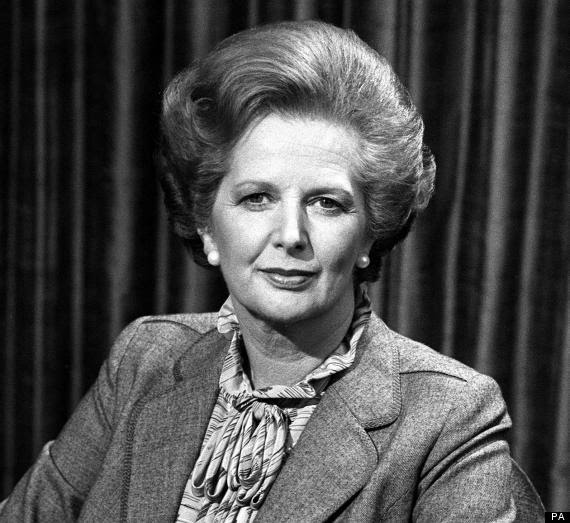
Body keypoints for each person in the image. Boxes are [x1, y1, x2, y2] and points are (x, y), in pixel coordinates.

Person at [1, 20, 541, 522]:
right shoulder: (145, 358)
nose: (290, 234)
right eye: (257, 197)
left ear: (369, 233)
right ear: (207, 226)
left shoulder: (449, 415)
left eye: (327, 203)